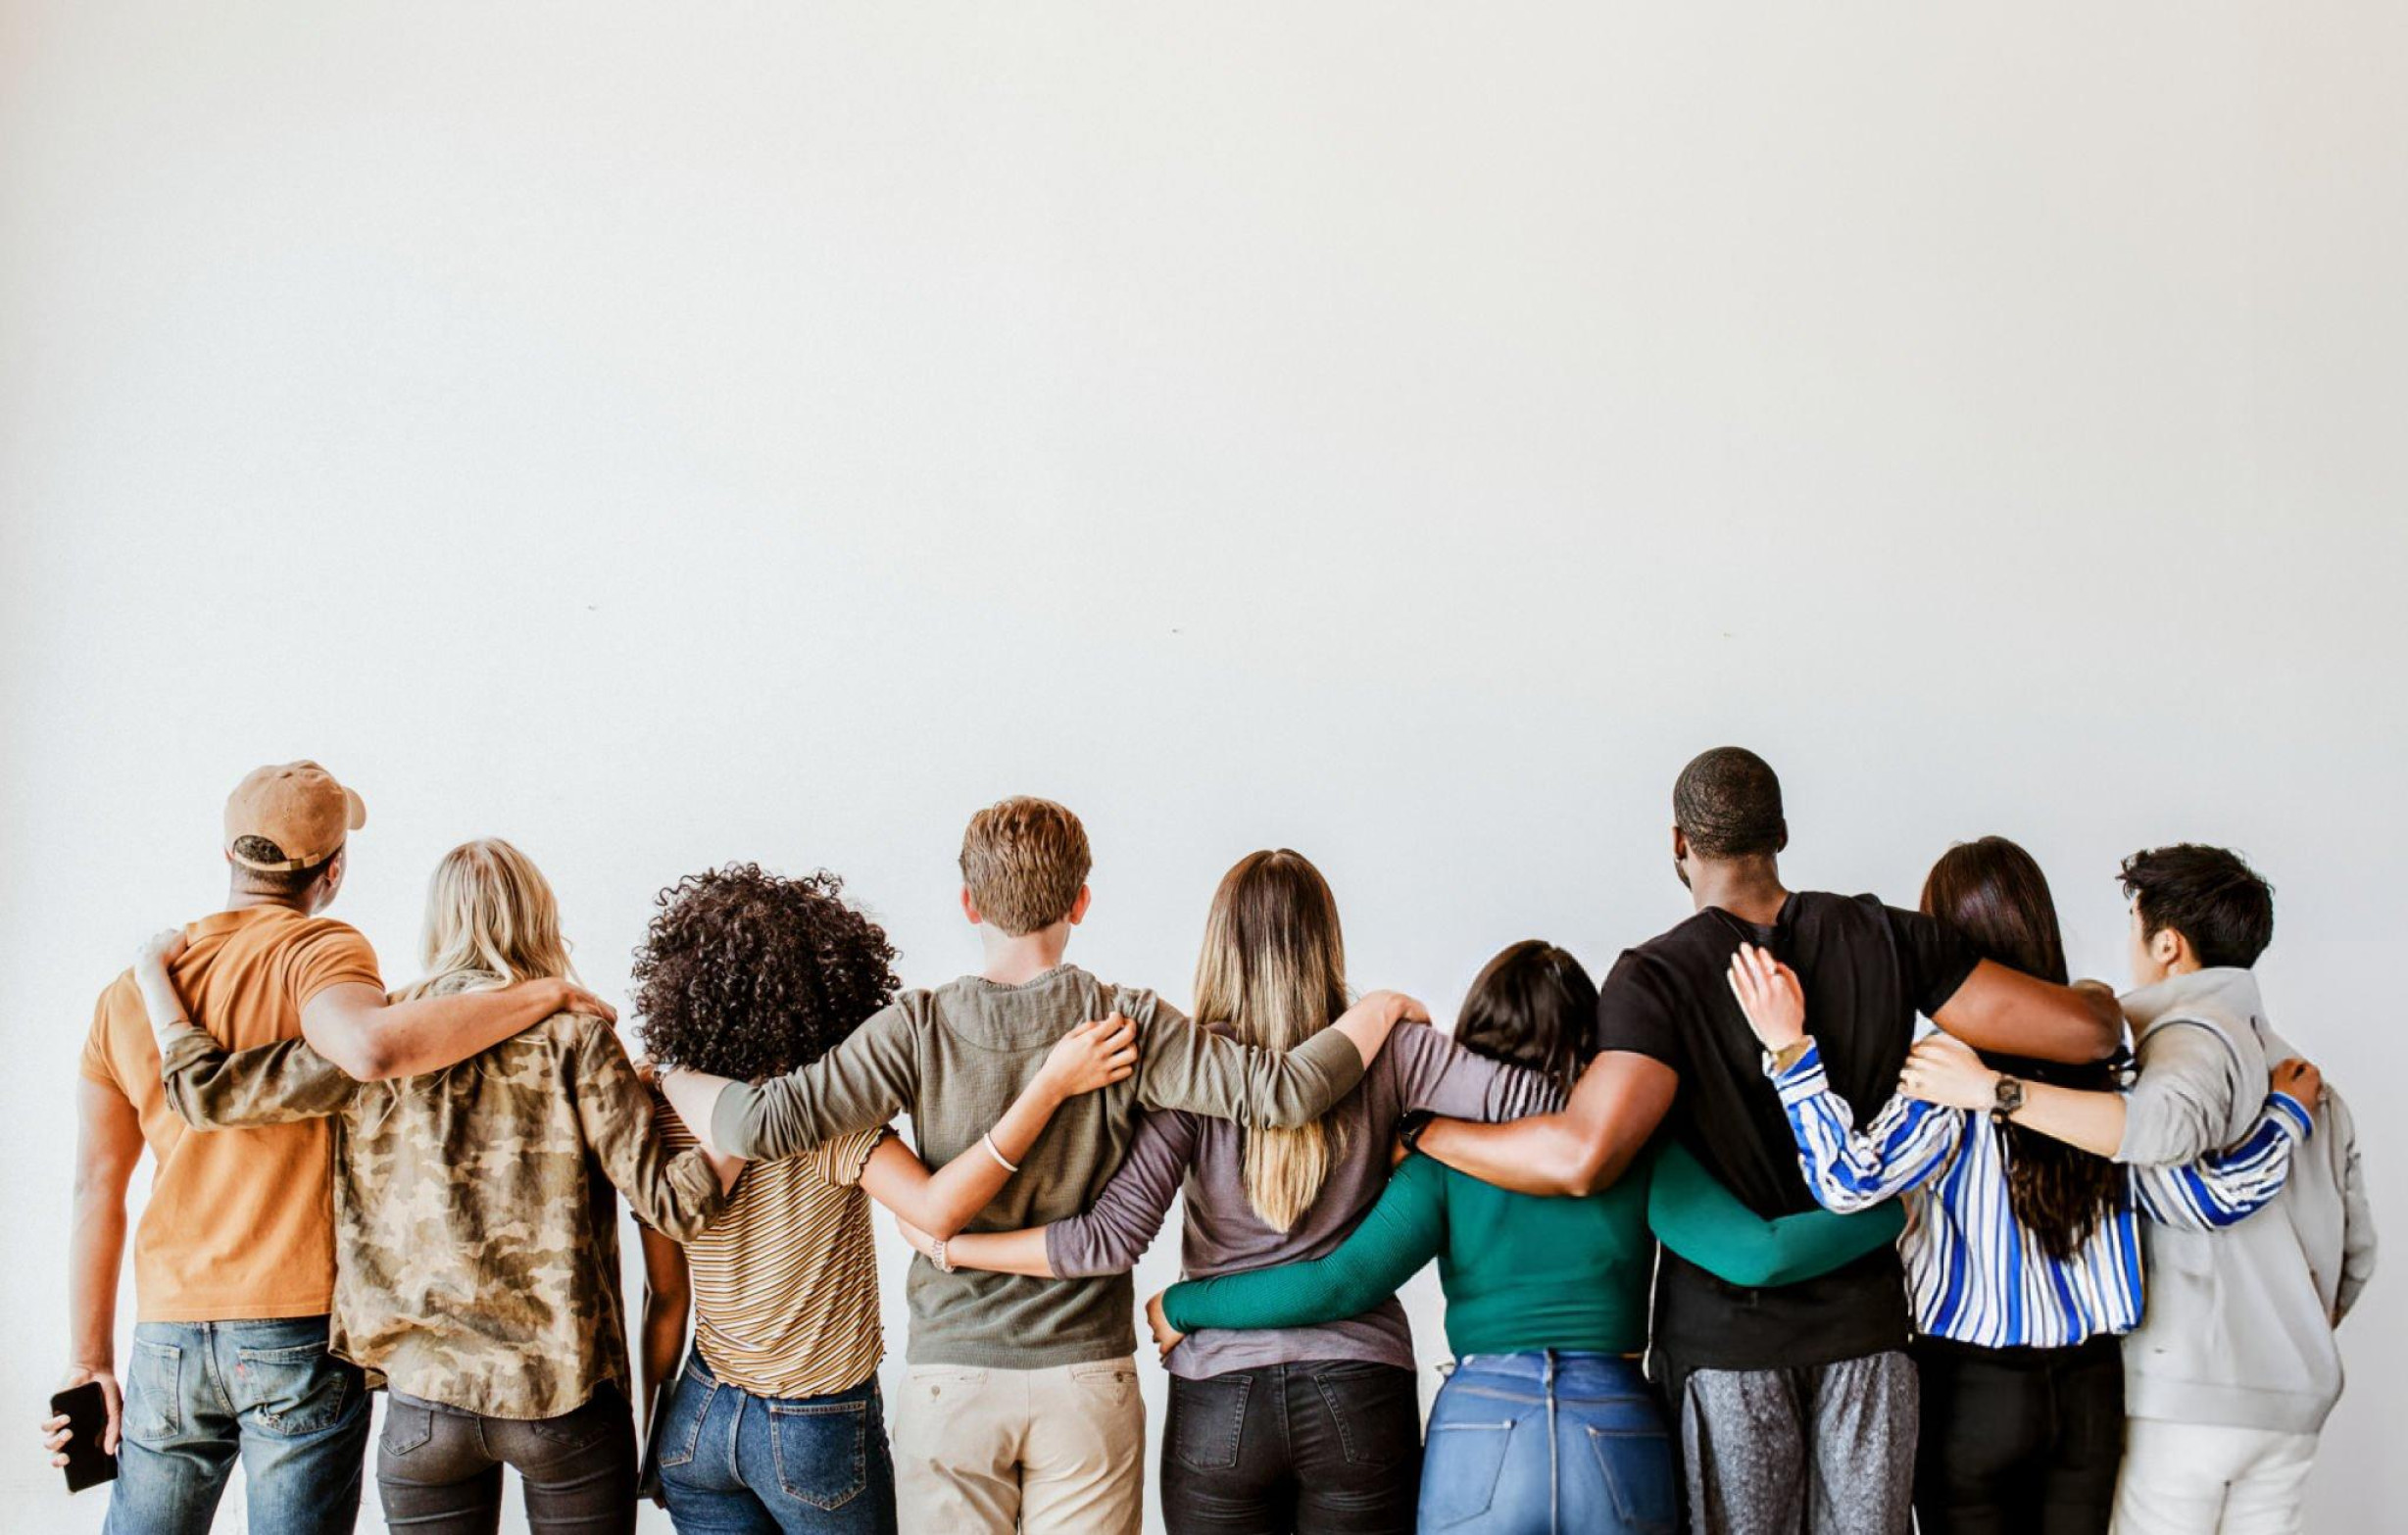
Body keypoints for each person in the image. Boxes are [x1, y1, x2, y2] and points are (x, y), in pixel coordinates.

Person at [657, 799, 1427, 1535]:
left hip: (950, 1379)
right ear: (1081, 902)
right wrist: (1380, 1008)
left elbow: (759, 1123)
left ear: (968, 904)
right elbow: (1284, 1092)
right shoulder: (1128, 1024)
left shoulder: (913, 1030)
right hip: (1085, 1378)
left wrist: (670, 1077)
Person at [1403, 749, 2126, 1535]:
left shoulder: (1654, 977)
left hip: (1727, 1348)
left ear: (1677, 842)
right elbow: (2086, 1034)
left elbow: (1583, 1157)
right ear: (1780, 831)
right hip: (1867, 1341)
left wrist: (1429, 1131)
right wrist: (2094, 996)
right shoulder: (1888, 937)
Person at [892, 851, 1561, 1534]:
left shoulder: (1191, 1070)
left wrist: (957, 1245)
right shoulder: (1396, 1050)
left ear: (1219, 944)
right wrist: (1424, 1132)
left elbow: (1109, 1238)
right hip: (1360, 1389)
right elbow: (1545, 1102)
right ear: (1326, 941)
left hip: (1219, 1400)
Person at [43, 765, 609, 1535]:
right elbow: (373, 1049)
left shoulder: (131, 994)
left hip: (166, 1332)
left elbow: (94, 1191)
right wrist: (542, 993)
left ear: (230, 857)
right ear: (333, 869)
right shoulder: (322, 951)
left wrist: (89, 1362)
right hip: (298, 1324)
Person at [124, 837, 738, 1534]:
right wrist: (739, 1119)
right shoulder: (577, 1038)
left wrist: (154, 981)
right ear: (539, 918)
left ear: (438, 924)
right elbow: (675, 1207)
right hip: (561, 1399)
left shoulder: (379, 1037)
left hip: (423, 1409)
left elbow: (207, 1096)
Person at [1145, 938, 1863, 1534]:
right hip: (1612, 1422)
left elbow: (1335, 1283)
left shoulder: (1440, 1163)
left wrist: (1183, 1306)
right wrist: (1890, 1210)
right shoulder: (1633, 1152)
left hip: (1479, 1432)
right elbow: (1756, 1254)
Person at [1725, 836, 2319, 1533]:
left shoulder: (1946, 1071)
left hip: (1973, 1392)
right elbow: (2201, 1198)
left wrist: (1791, 1050)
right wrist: (2283, 1117)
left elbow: (1845, 1180)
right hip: (2090, 1395)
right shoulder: (2110, 1069)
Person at [629, 865, 1140, 1534]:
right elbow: (935, 1207)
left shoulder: (660, 1116)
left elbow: (666, 1299)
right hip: (814, 1425)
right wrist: (1046, 1089)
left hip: (697, 1417)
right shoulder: (833, 1125)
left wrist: (655, 1434)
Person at [1901, 845, 2377, 1534]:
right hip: (2278, 1397)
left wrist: (1992, 1092)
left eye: (2132, 927)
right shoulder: (2301, 1076)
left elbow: (2179, 1180)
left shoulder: (2157, 1057)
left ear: (2164, 942)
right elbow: (2355, 1251)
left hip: (2174, 1397)